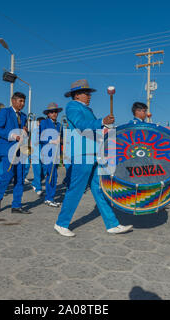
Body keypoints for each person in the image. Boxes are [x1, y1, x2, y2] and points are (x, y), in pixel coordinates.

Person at [54, 79, 133, 237]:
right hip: (82, 153)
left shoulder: (87, 109)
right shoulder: (72, 107)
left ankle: (112, 224)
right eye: (86, 93)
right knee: (76, 189)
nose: (89, 96)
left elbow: (93, 126)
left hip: (94, 153)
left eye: (89, 93)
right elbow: (81, 125)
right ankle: (61, 223)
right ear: (76, 95)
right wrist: (102, 121)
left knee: (98, 189)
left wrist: (105, 126)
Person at [0, 92, 31, 214]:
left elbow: (24, 134)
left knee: (19, 178)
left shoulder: (24, 116)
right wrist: (13, 135)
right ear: (13, 101)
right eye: (20, 101)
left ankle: (16, 206)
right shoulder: (5, 112)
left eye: (23, 101)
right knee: (8, 176)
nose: (22, 104)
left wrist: (26, 132)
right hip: (7, 150)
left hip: (20, 151)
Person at [40, 103, 63, 207]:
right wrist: (51, 141)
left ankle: (50, 197)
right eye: (52, 112)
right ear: (48, 114)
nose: (54, 114)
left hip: (56, 153)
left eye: (55, 112)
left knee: (54, 175)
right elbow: (40, 137)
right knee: (51, 175)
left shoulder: (59, 125)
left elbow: (61, 139)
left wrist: (61, 140)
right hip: (47, 153)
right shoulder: (44, 123)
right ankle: (49, 198)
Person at [31, 116, 45, 196]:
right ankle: (38, 189)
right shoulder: (35, 131)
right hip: (35, 155)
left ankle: (34, 183)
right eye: (41, 123)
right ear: (38, 123)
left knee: (44, 172)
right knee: (37, 171)